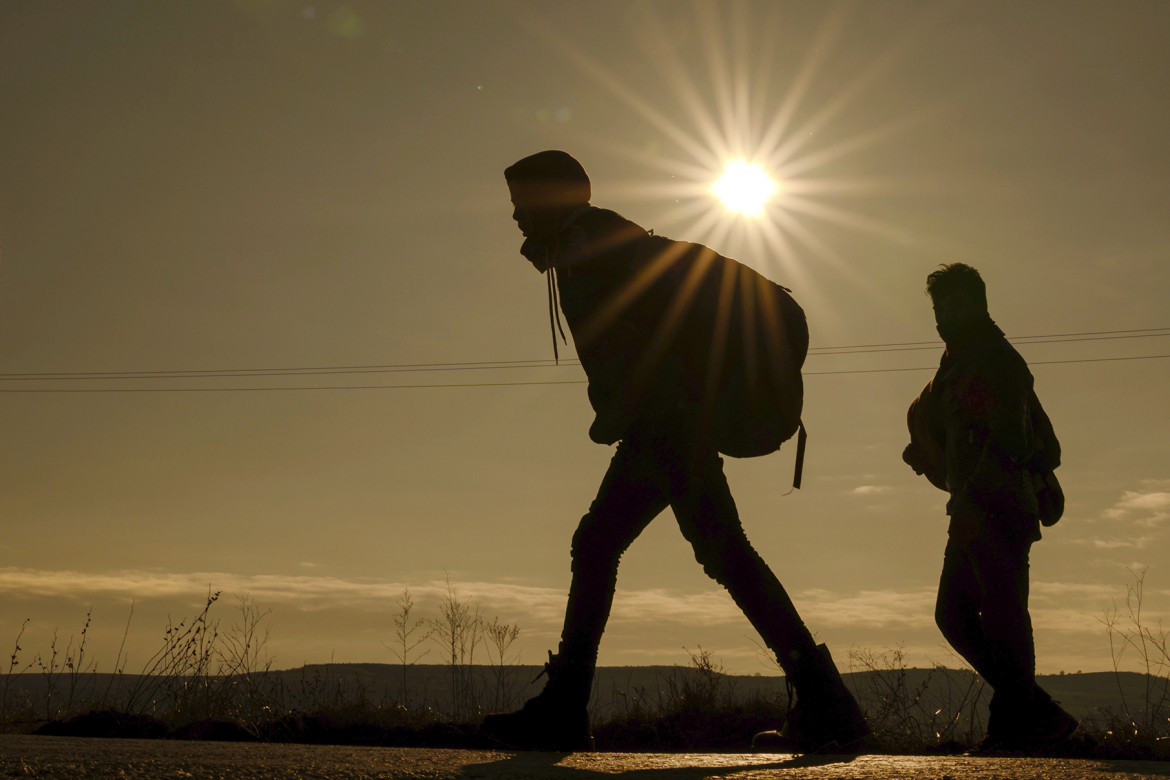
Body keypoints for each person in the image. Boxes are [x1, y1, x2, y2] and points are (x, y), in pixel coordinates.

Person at [480, 150, 869, 752]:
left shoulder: (589, 250)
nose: (515, 217)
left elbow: (638, 347)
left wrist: (620, 415)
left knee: (607, 544)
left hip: (669, 424)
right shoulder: (605, 239)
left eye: (521, 201)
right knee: (717, 554)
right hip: (677, 420)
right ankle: (826, 700)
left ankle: (564, 708)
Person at [902, 263, 1077, 752]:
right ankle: (1039, 716)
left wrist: (973, 498)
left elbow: (1013, 440)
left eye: (955, 304)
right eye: (939, 306)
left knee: (999, 616)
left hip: (996, 505)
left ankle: (1015, 729)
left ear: (979, 303)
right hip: (975, 504)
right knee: (958, 615)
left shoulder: (995, 359)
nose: (944, 314)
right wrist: (930, 449)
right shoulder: (958, 360)